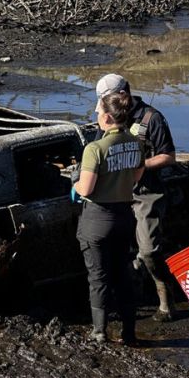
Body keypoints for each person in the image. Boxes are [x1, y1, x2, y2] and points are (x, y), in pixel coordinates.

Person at [95, 74, 177, 322]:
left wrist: (138, 165)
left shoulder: (152, 119)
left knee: (150, 250)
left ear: (123, 95)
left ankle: (166, 301)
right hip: (117, 194)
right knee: (115, 249)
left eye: (108, 99)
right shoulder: (107, 116)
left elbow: (168, 156)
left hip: (146, 194)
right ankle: (127, 297)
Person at [74, 91, 144, 344]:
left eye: (98, 112)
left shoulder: (95, 148)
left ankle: (99, 332)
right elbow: (137, 175)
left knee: (98, 277)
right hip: (125, 216)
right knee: (122, 274)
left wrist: (75, 179)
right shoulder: (135, 142)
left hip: (97, 219)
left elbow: (86, 189)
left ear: (106, 116)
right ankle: (129, 332)